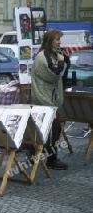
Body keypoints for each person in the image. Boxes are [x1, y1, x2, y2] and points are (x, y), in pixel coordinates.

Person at [31, 29, 69, 170]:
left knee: (53, 129)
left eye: (60, 39)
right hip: (44, 101)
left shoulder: (53, 54)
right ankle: (50, 159)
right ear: (49, 41)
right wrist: (61, 63)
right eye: (57, 39)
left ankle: (46, 157)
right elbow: (53, 76)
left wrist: (63, 60)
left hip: (50, 101)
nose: (60, 42)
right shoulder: (42, 57)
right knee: (53, 128)